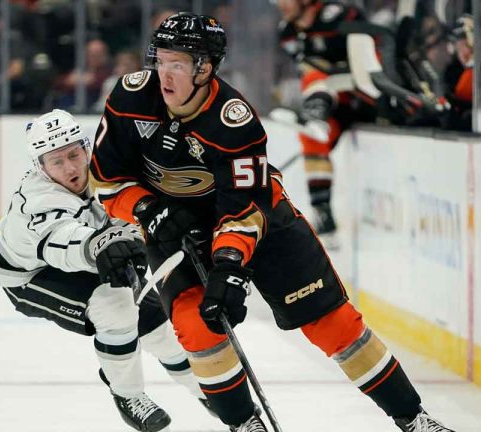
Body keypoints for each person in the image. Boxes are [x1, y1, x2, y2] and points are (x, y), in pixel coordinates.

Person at [89, 12, 454, 432]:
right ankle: (245, 425)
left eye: (178, 64)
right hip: (171, 229)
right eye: (161, 60)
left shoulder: (234, 122)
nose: (164, 74)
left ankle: (414, 419)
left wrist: (228, 266)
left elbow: (244, 209)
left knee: (333, 324)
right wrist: (146, 210)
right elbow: (108, 179)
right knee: (196, 327)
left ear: (205, 68)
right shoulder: (130, 98)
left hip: (262, 223)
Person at [0, 109, 211, 432]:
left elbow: (132, 211)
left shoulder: (105, 169)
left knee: (158, 326)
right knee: (117, 306)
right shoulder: (36, 202)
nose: (69, 168)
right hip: (29, 273)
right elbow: (64, 244)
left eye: (73, 154)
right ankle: (128, 395)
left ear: (85, 146)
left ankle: (211, 390)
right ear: (40, 167)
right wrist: (100, 246)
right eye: (56, 162)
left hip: (92, 252)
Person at [276, 0, 377, 246]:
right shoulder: (287, 32)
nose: (280, 4)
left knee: (315, 75)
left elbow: (370, 59)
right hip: (333, 106)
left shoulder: (341, 16)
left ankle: (316, 112)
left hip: (362, 98)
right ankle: (324, 216)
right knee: (311, 137)